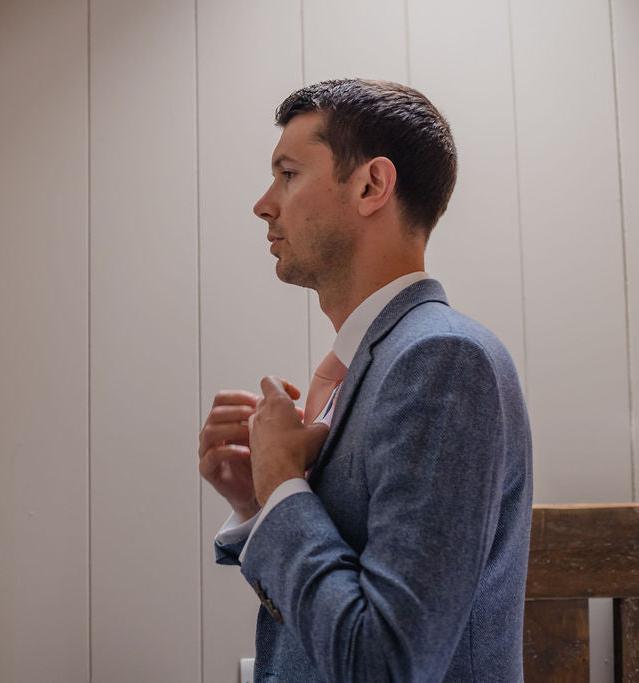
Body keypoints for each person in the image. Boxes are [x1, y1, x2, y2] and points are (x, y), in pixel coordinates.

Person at [198, 79, 532, 682]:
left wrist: (281, 486)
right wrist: (260, 500)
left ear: (371, 185)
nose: (264, 203)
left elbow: (385, 664)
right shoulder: (383, 363)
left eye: (289, 174)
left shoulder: (444, 360)